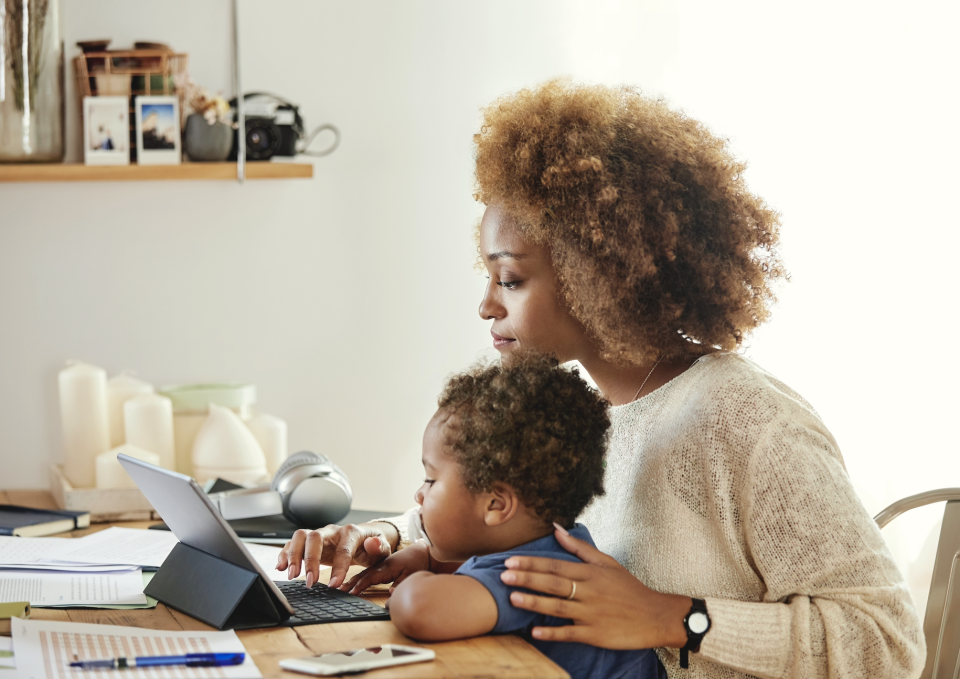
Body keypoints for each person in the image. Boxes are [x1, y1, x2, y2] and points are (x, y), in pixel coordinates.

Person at [278, 79, 924, 678]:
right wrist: (389, 536)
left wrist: (679, 616)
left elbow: (889, 642)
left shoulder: (746, 419)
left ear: (603, 273)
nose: (486, 305)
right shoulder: (569, 405)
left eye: (510, 279)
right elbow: (502, 513)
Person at [384, 352, 665, 679]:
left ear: (496, 505)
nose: (420, 494)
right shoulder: (565, 546)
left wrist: (412, 587)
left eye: (431, 480)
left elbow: (421, 609)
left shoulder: (532, 574)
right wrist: (428, 560)